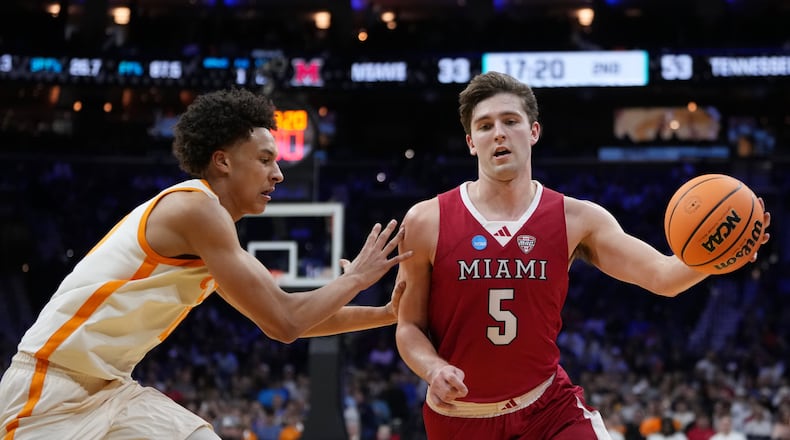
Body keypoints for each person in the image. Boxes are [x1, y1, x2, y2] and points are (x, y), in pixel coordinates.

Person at [0, 88, 411, 439]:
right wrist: (356, 277)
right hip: (48, 387)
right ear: (223, 161)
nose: (279, 174)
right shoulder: (196, 210)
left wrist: (387, 313)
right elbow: (284, 322)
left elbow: (295, 318)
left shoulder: (211, 230)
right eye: (265, 159)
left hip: (111, 390)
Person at [393, 71, 771, 439]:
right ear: (471, 142)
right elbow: (408, 326)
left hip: (547, 410)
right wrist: (433, 368)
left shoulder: (577, 219)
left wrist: (721, 255)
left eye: (510, 121)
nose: (499, 133)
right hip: (459, 419)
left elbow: (663, 276)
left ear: (534, 131)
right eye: (485, 125)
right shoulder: (428, 220)